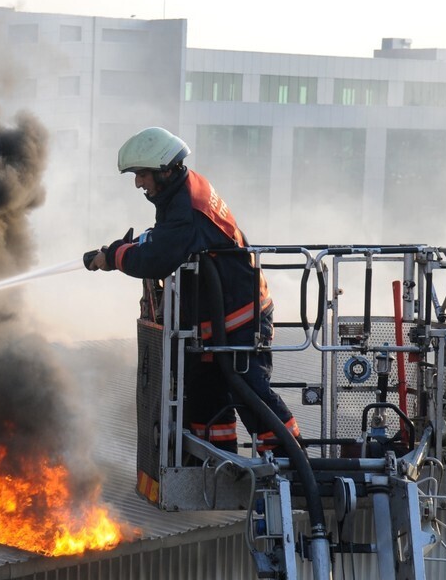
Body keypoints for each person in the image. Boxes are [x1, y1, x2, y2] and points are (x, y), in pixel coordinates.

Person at [85, 126, 299, 455]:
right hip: (217, 319)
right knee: (205, 393)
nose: (138, 183)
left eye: (142, 174)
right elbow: (163, 238)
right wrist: (126, 246)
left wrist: (112, 257)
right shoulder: (182, 192)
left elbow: (157, 258)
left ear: (164, 170)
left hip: (240, 318)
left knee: (249, 392)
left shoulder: (189, 210)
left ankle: (290, 463)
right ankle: (218, 465)